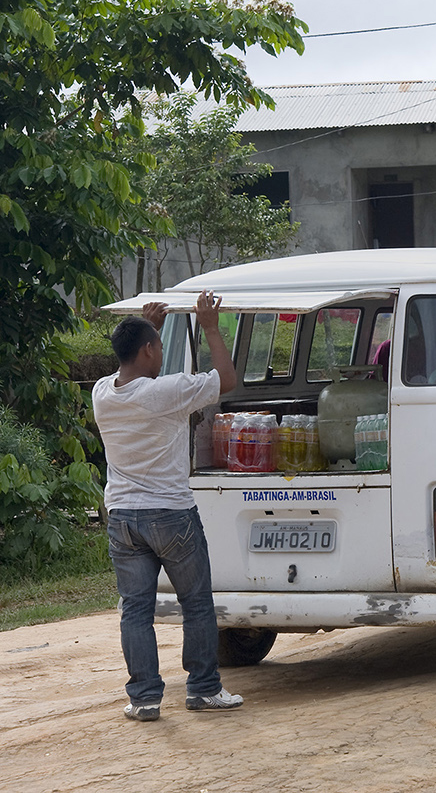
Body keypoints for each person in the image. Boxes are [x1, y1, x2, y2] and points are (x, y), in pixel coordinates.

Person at [94, 291, 243, 722]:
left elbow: (128, 369)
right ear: (147, 350)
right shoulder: (168, 392)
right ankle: (203, 690)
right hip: (170, 514)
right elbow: (226, 380)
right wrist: (210, 327)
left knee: (135, 610)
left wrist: (149, 328)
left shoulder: (103, 393)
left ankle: (143, 698)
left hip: (123, 518)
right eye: (157, 346)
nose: (161, 353)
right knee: (195, 603)